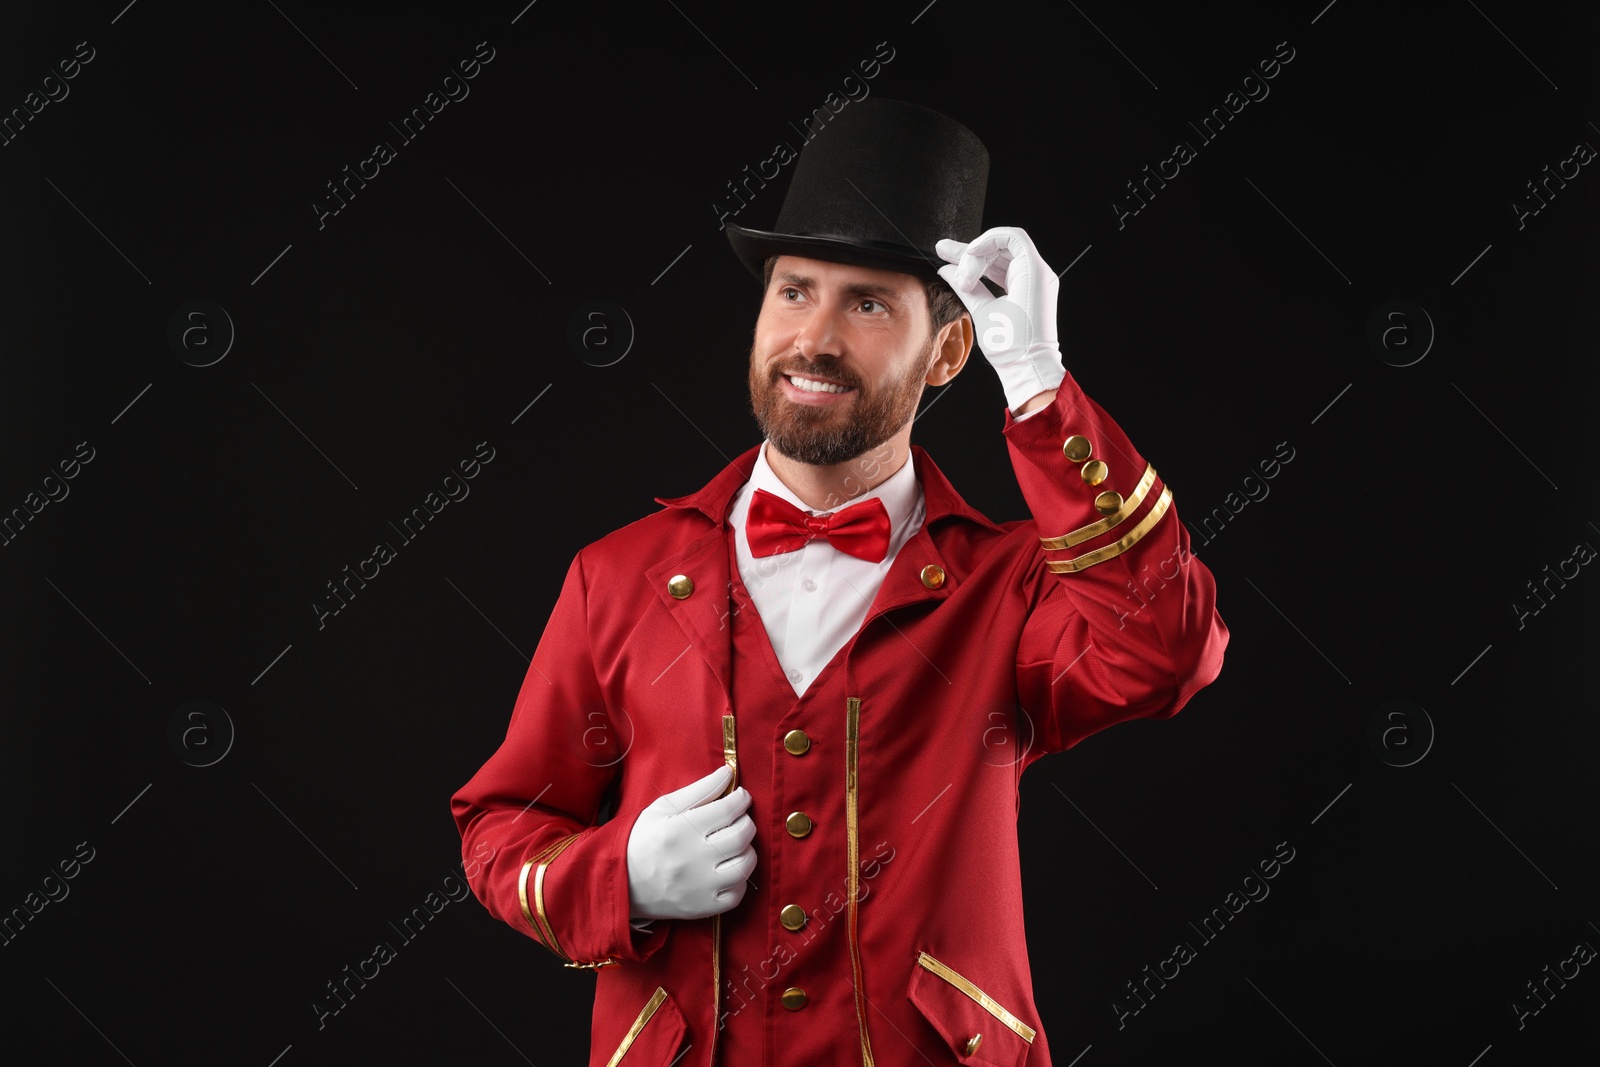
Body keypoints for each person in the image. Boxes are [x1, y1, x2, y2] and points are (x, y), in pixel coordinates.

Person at [452, 98, 1228, 1066]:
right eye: (794, 291)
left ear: (946, 350)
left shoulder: (1009, 587)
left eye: (867, 303)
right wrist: (622, 878)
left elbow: (1166, 650)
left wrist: (1038, 381)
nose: (814, 338)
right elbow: (502, 827)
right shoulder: (617, 576)